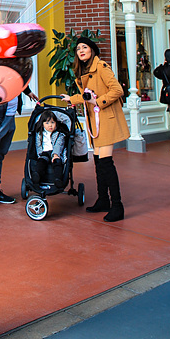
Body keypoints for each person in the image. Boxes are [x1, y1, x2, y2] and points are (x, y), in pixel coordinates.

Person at [61, 36, 129, 222]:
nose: (81, 50)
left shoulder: (101, 67)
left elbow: (117, 90)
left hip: (107, 118)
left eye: (84, 47)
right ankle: (103, 200)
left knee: (106, 163)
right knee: (99, 162)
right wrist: (72, 99)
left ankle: (117, 205)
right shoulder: (84, 69)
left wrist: (98, 102)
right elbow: (86, 94)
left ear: (92, 49)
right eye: (78, 48)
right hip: (96, 120)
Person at [0, 88, 38, 212]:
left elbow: (19, 80)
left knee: (0, 155)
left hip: (10, 117)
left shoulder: (13, 70)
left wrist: (28, 92)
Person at [31, 108, 67, 188]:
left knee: (57, 162)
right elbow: (38, 145)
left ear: (56, 123)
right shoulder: (39, 134)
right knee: (41, 162)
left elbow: (59, 144)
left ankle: (58, 179)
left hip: (54, 152)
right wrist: (39, 154)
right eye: (47, 123)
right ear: (42, 124)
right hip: (44, 153)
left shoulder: (59, 134)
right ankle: (37, 175)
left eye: (52, 122)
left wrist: (55, 154)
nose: (50, 125)